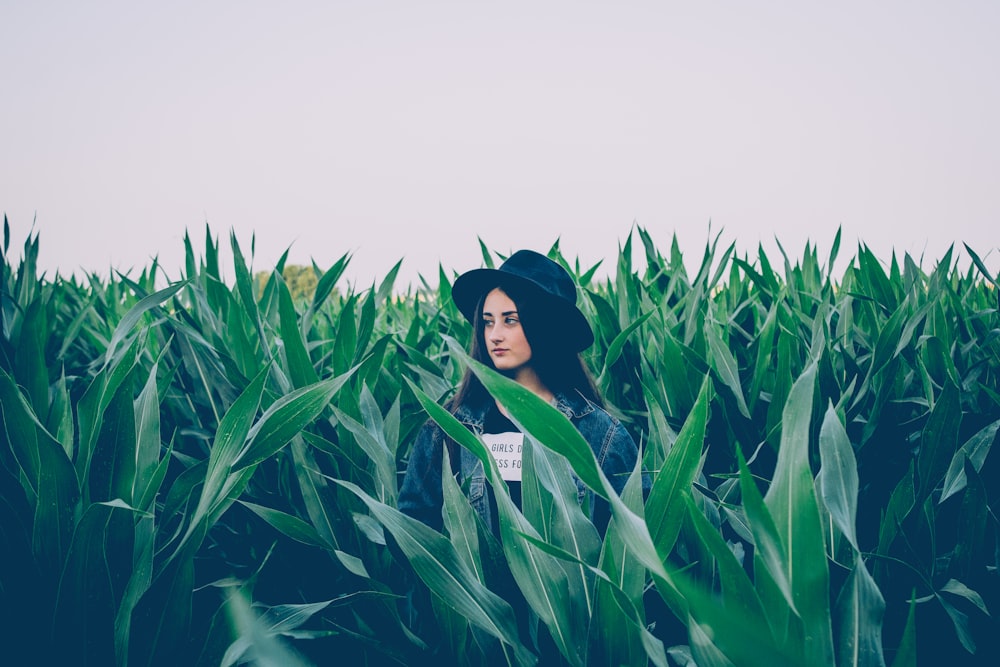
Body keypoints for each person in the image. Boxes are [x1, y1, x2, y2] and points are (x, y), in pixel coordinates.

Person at [398, 249, 638, 535]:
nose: (494, 334)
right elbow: (416, 531)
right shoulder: (448, 428)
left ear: (545, 327)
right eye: (488, 321)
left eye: (510, 320)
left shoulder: (600, 434)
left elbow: (632, 544)